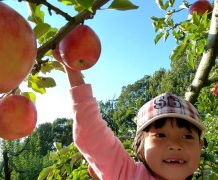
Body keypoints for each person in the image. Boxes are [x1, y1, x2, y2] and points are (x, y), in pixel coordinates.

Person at [65, 66, 205, 180]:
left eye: (187, 137)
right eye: (161, 135)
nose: (175, 145)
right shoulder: (128, 174)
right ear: (141, 145)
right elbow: (93, 134)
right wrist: (73, 69)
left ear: (200, 146)